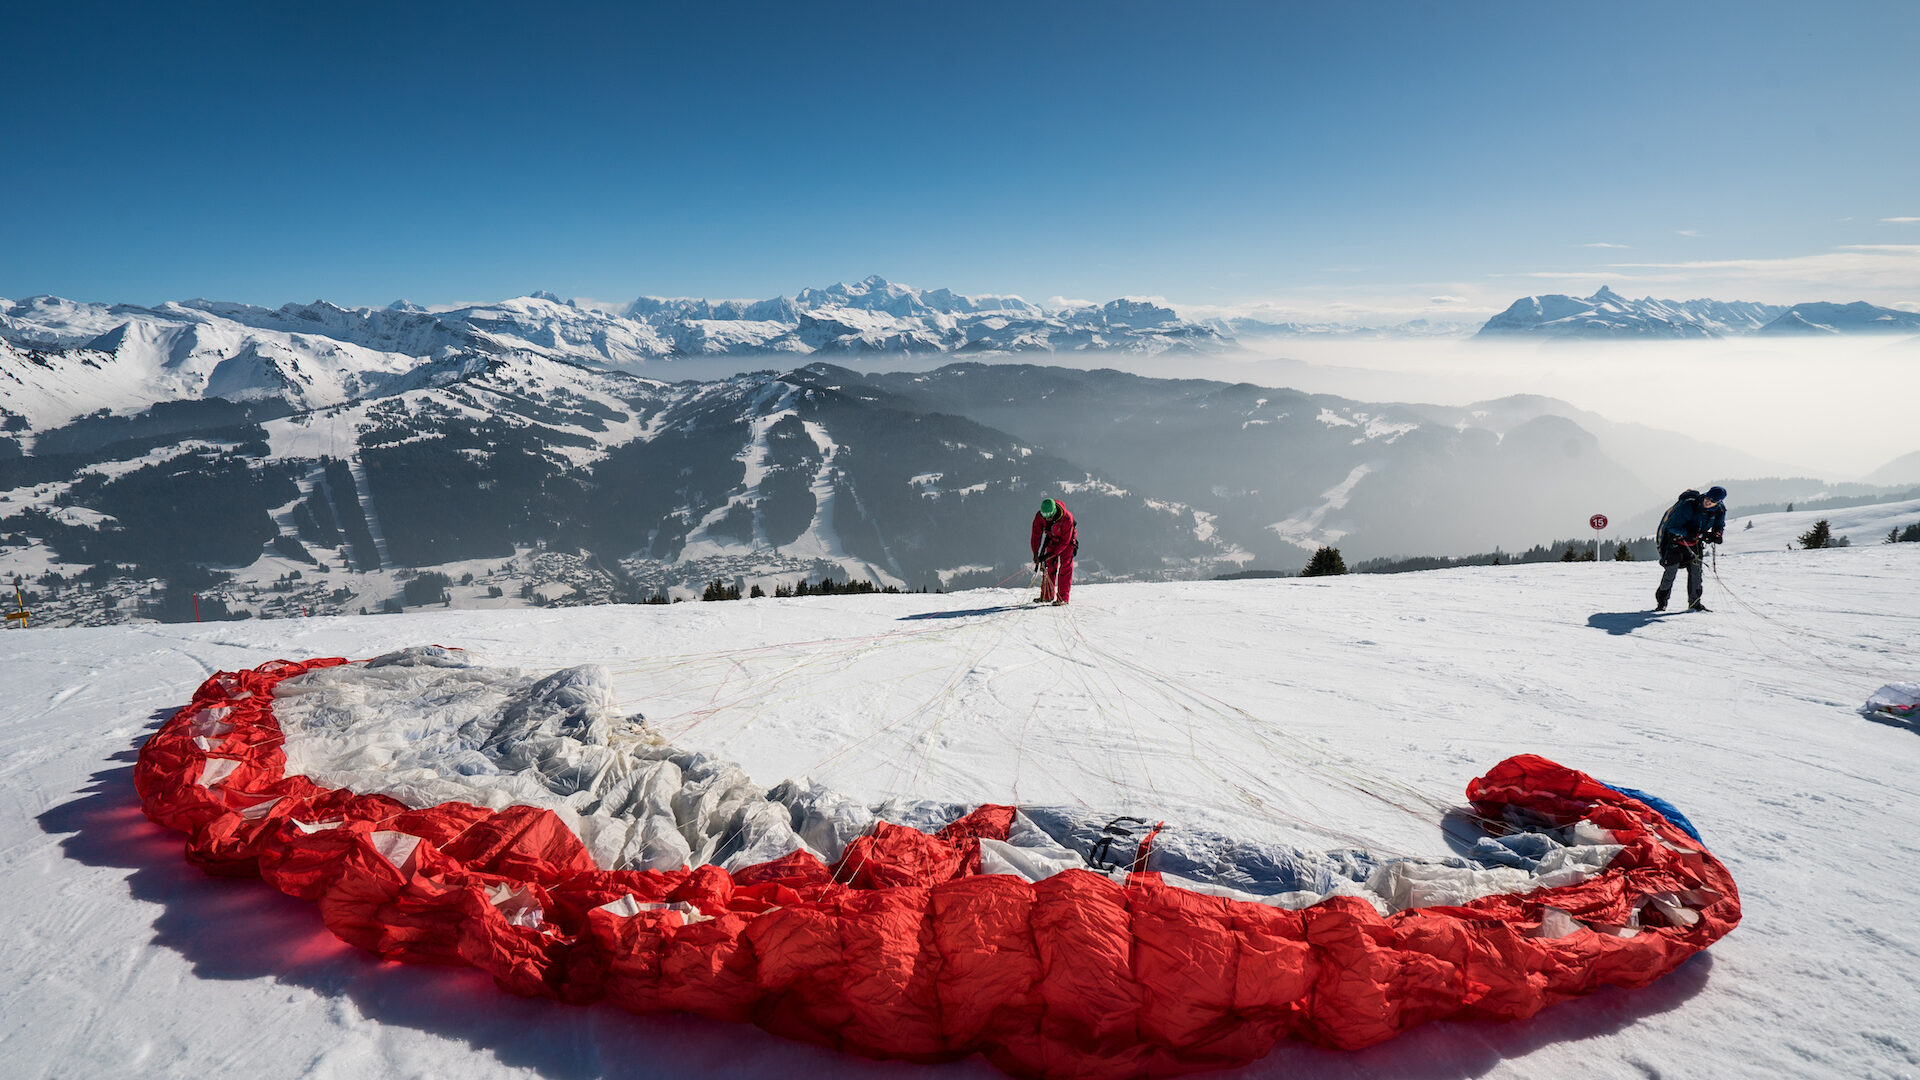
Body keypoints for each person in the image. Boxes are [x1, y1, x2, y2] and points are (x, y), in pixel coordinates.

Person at [1655, 485, 1727, 611]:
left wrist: (1717, 535)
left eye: (1713, 501)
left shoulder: (1719, 510)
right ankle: (1661, 604)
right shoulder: (1688, 506)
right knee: (1670, 574)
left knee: (1696, 575)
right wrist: (1695, 534)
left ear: (1719, 502)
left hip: (1695, 544)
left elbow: (1719, 526)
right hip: (1675, 543)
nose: (1708, 502)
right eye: (1708, 498)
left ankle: (1695, 604)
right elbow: (1672, 526)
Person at [1030, 497, 1078, 606]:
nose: (1047, 520)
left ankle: (1063, 598)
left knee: (1065, 567)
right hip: (1052, 539)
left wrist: (1049, 555)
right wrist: (1035, 553)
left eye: (1049, 517)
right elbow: (1036, 536)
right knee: (1048, 567)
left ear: (1054, 512)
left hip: (1067, 541)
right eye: (1045, 517)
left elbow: (1065, 542)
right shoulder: (1039, 517)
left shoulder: (1067, 518)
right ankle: (1047, 596)